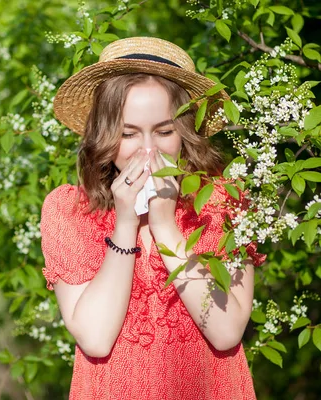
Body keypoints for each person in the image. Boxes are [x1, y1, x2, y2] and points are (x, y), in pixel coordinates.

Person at [40, 37, 265, 399]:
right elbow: (96, 339)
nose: (148, 150)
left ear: (187, 130)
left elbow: (225, 332)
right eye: (128, 133)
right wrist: (126, 224)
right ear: (104, 135)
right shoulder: (69, 212)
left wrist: (164, 224)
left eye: (163, 131)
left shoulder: (224, 201)